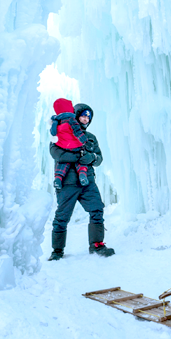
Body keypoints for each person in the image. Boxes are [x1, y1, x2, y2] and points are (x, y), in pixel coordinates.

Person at [48, 100, 116, 261]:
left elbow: (99, 159)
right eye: (83, 116)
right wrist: (79, 156)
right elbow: (57, 154)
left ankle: (97, 244)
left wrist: (91, 157)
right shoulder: (59, 133)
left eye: (89, 118)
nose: (86, 120)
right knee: (62, 216)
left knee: (97, 210)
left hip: (87, 183)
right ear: (75, 115)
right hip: (67, 183)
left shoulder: (90, 138)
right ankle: (57, 251)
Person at [50, 98, 90, 190]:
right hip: (76, 145)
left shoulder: (56, 121)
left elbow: (53, 133)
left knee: (62, 162)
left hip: (63, 146)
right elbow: (77, 132)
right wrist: (85, 141)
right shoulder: (71, 120)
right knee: (81, 160)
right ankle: (82, 175)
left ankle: (58, 178)